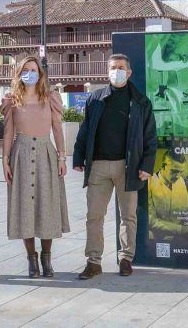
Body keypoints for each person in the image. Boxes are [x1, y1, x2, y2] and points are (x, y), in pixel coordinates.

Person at [73, 53, 157, 279]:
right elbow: (85, 130)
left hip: (128, 167)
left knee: (128, 216)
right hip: (98, 166)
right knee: (94, 216)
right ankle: (93, 262)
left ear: (129, 73)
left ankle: (126, 259)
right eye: (112, 67)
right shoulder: (96, 99)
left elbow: (150, 137)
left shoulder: (141, 102)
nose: (116, 71)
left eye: (120, 67)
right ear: (107, 71)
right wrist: (78, 157)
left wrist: (146, 165)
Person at [0, 56, 70, 278]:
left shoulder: (50, 98)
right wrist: (5, 160)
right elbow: (9, 132)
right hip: (20, 152)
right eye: (26, 69)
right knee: (24, 207)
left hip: (45, 152)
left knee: (46, 205)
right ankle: (31, 258)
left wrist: (61, 157)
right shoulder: (12, 100)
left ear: (40, 74)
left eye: (34, 69)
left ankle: (46, 257)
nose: (30, 73)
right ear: (19, 73)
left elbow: (57, 129)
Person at [148, 148, 188, 241]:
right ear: (163, 166)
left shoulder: (181, 181)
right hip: (157, 237)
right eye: (174, 171)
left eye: (181, 172)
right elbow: (151, 221)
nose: (178, 176)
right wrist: (181, 229)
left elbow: (184, 211)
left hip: (179, 237)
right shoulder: (149, 182)